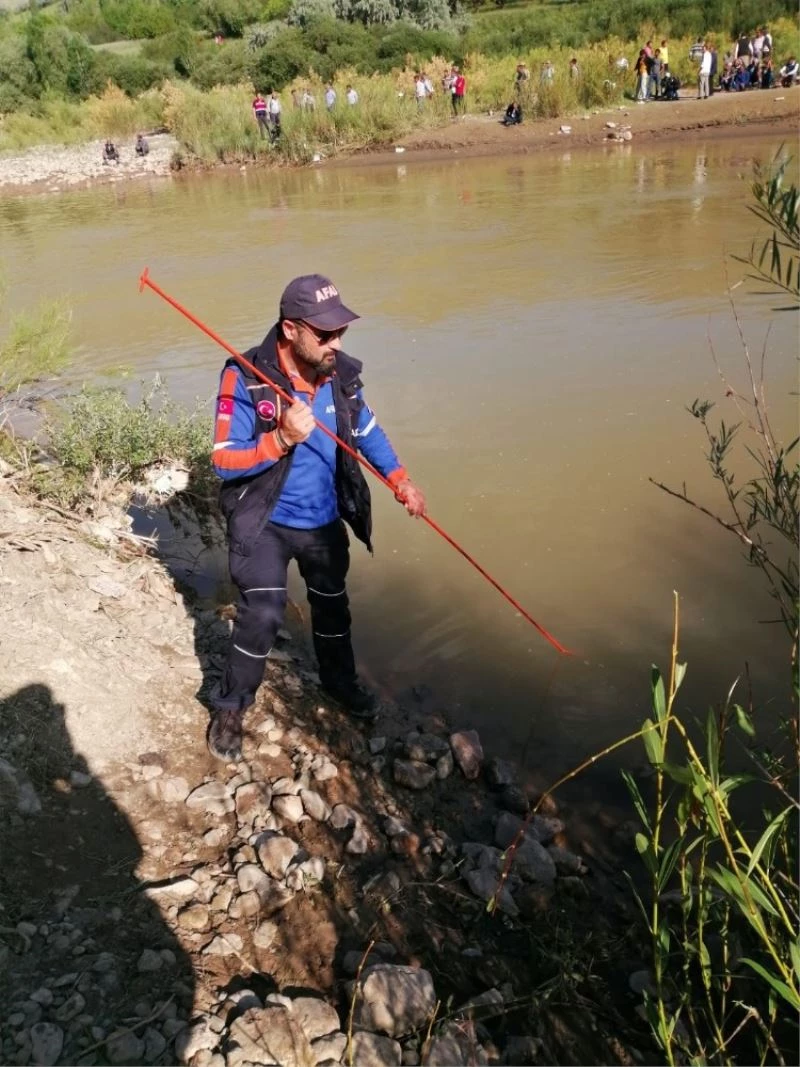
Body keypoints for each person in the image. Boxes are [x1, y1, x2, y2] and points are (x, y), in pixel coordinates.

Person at [207, 275, 426, 761]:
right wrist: (280, 439)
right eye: (324, 334)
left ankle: (338, 683)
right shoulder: (244, 376)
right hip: (264, 521)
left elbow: (367, 431)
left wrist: (400, 479)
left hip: (322, 521)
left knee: (332, 606)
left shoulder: (339, 374)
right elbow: (223, 459)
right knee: (261, 614)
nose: (336, 343)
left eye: (341, 331)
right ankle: (230, 706)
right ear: (290, 330)